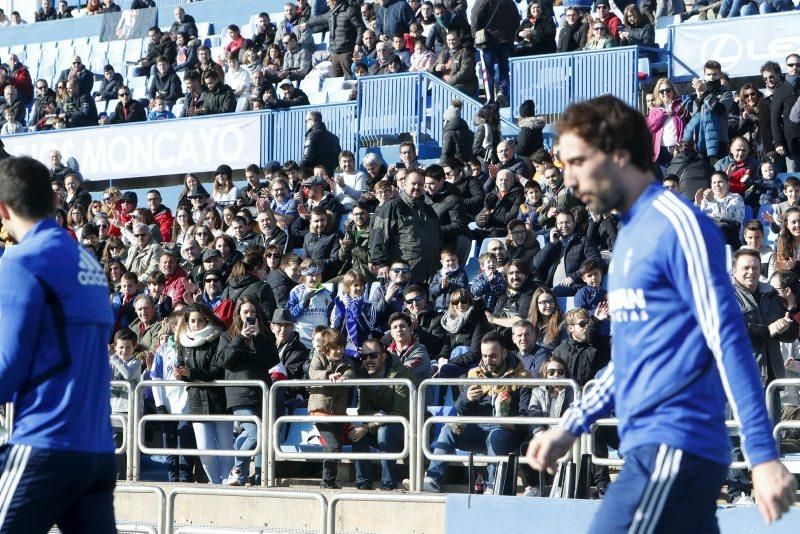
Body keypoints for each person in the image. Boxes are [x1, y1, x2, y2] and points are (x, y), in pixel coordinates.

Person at [525, 95, 796, 531]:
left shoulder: (678, 224)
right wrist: (571, 424)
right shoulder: (630, 235)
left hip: (674, 443)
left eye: (577, 161)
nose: (569, 179)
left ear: (617, 156)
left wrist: (762, 455)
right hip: (654, 447)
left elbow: (726, 337)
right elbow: (632, 356)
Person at [0, 157, 117, 531]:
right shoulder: (90, 264)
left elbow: (9, 367)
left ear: (2, 210)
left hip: (45, 444)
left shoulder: (21, 262)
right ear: (54, 202)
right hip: (97, 454)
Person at [424, 331, 531, 493]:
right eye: (484, 356)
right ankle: (433, 478)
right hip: (478, 430)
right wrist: (467, 398)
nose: (488, 361)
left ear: (504, 353)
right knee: (449, 428)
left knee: (496, 436)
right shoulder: (474, 374)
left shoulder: (523, 377)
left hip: (507, 432)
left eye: (493, 356)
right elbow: (460, 410)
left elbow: (526, 417)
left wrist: (506, 420)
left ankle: (492, 485)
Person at [218, 297, 279, 486]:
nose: (250, 316)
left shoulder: (265, 336)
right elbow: (223, 361)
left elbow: (271, 361)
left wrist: (259, 338)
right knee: (256, 434)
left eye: (253, 312)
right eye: (245, 312)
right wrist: (241, 338)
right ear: (238, 314)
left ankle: (257, 478)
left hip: (262, 394)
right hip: (239, 394)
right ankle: (236, 469)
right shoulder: (228, 335)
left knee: (254, 437)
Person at [173, 303, 232, 485]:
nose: (196, 324)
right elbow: (183, 368)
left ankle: (227, 483)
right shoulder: (182, 341)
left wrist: (190, 374)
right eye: (192, 321)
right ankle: (215, 484)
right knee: (205, 450)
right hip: (196, 400)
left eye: (200, 320)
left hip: (219, 399)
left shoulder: (219, 337)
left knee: (225, 448)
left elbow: (216, 371)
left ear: (207, 319)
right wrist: (180, 375)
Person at [350, 338, 416, 490]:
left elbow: (401, 414)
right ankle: (363, 483)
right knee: (356, 432)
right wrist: (376, 417)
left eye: (373, 355)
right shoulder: (364, 374)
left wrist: (370, 425)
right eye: (364, 357)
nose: (368, 360)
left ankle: (388, 485)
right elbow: (363, 410)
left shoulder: (401, 374)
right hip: (383, 425)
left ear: (384, 356)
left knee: (383, 431)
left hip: (410, 428)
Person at [370, 169, 442, 283]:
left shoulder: (430, 211)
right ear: (404, 184)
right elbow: (378, 237)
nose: (417, 187)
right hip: (403, 273)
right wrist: (381, 264)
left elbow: (438, 239)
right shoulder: (392, 207)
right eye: (413, 183)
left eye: (420, 184)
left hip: (429, 273)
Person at [308, 328, 356, 489]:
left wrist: (345, 378)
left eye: (341, 347)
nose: (339, 351)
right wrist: (328, 375)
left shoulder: (347, 361)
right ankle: (327, 482)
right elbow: (313, 373)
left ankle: (328, 481)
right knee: (334, 445)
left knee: (334, 446)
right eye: (335, 348)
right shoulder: (318, 357)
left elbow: (351, 372)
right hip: (320, 410)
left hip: (338, 412)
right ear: (326, 348)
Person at [693, 170, 745, 248]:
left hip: (729, 238)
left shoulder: (736, 198)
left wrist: (713, 201)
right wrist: (697, 204)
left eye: (720, 182)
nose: (717, 185)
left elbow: (729, 219)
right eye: (714, 183)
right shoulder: (706, 199)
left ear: (728, 184)